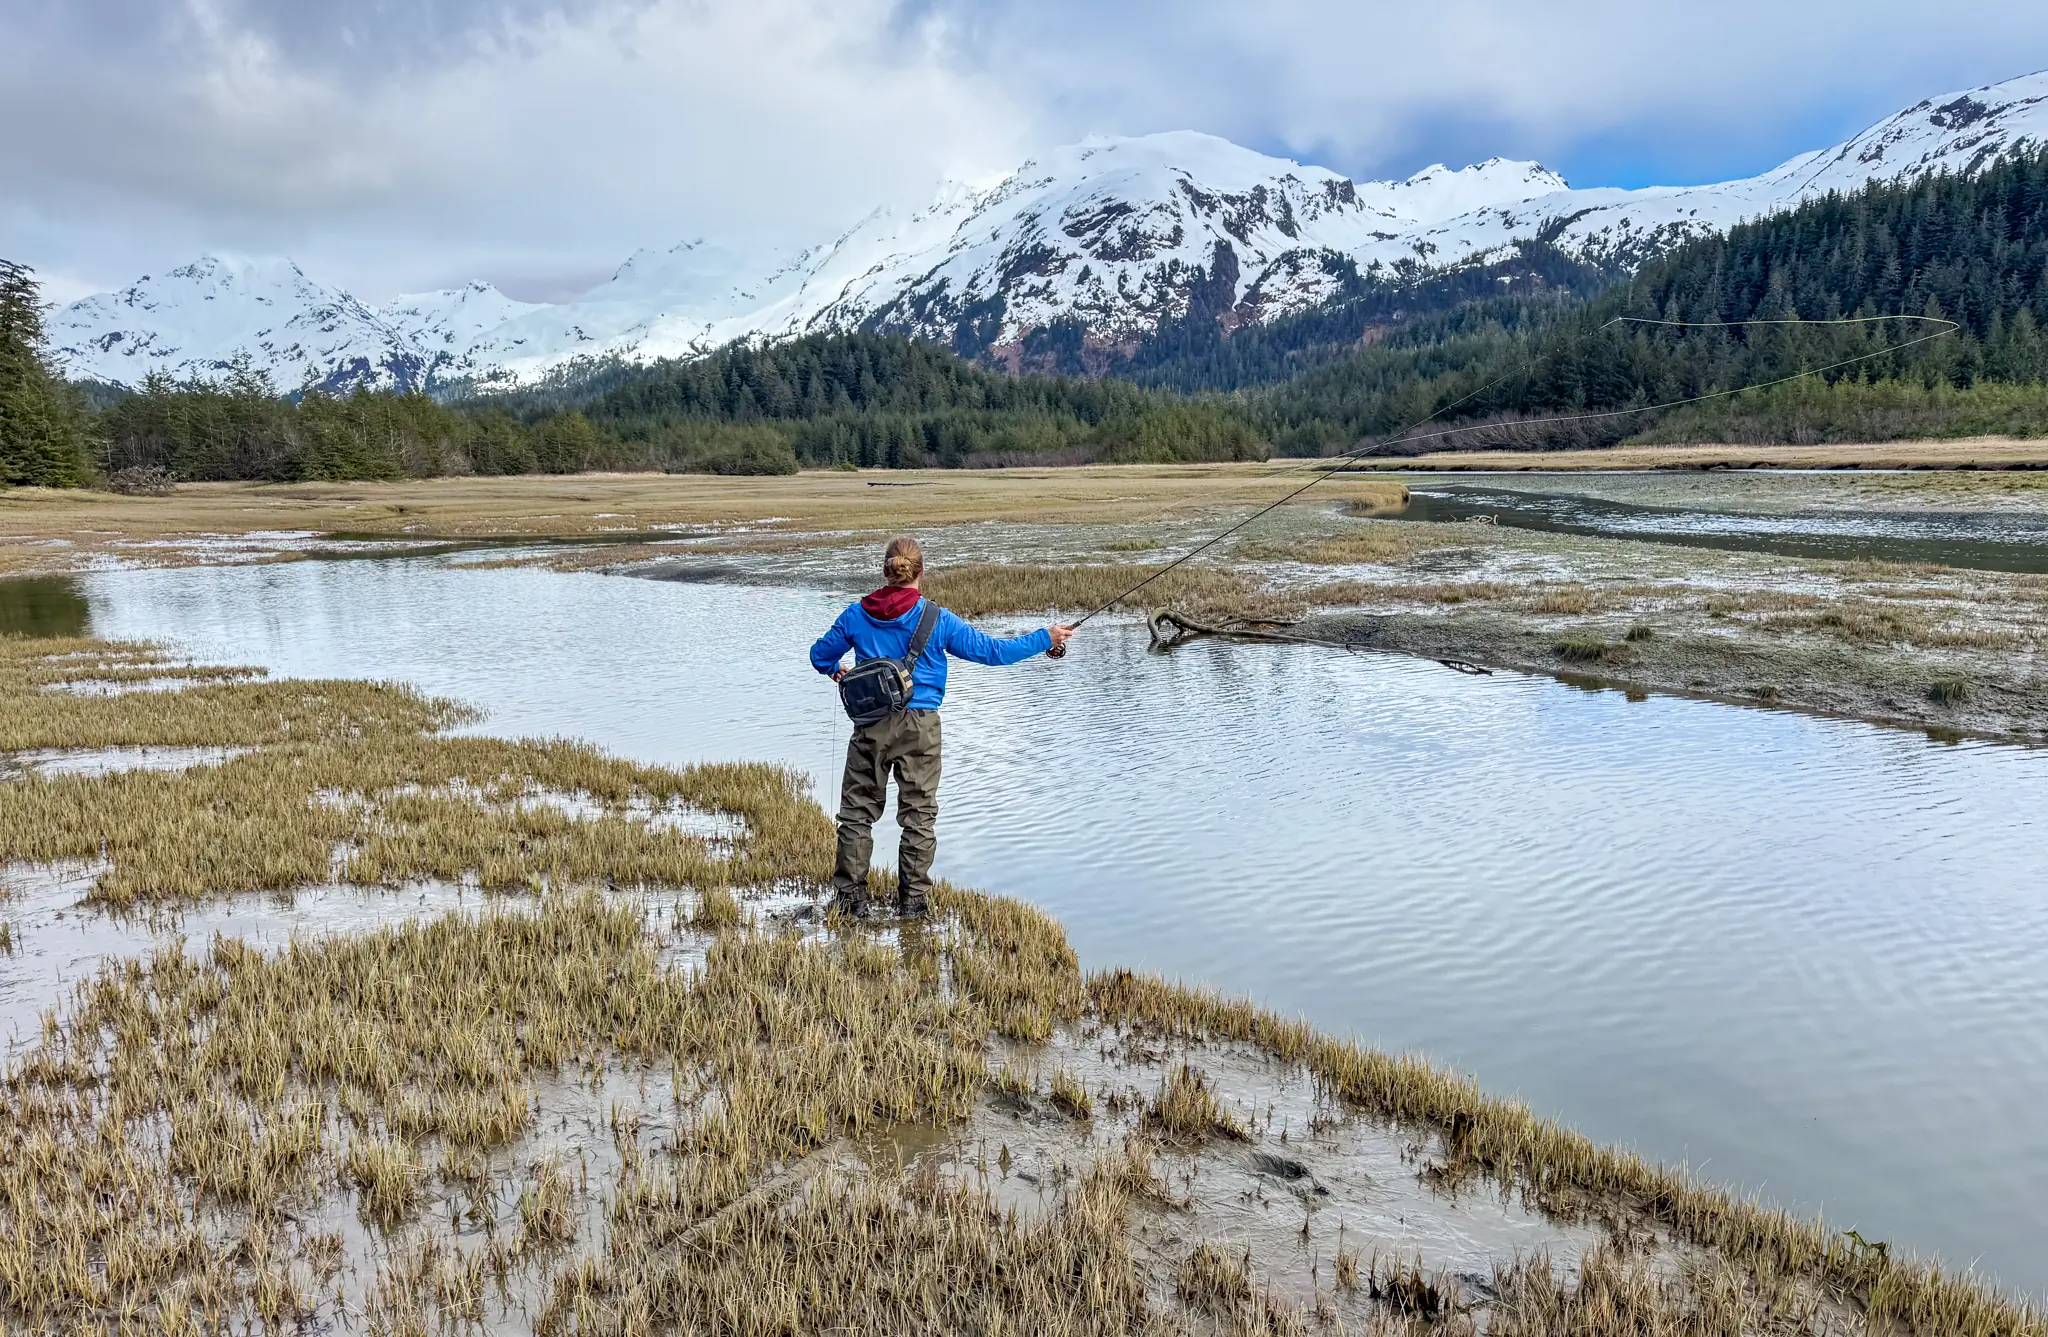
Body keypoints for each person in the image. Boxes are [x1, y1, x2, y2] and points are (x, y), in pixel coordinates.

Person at [810, 536, 1075, 919]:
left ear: (885, 569)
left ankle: (850, 900)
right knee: (918, 815)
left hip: (869, 725)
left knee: (857, 813)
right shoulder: (938, 619)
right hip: (921, 727)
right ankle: (913, 903)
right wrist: (1045, 638)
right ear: (922, 572)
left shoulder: (856, 614)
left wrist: (838, 671)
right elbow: (993, 653)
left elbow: (820, 656)